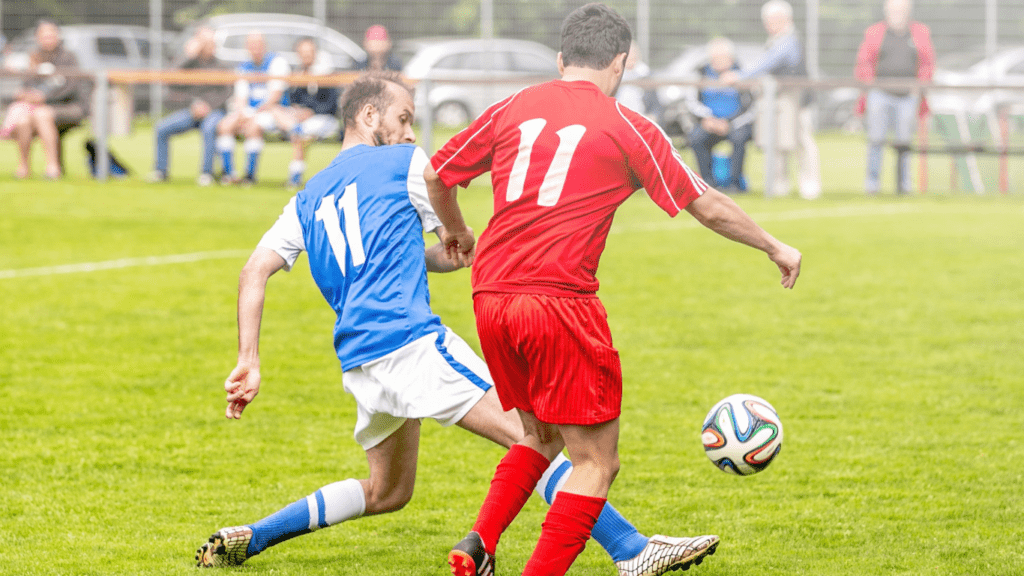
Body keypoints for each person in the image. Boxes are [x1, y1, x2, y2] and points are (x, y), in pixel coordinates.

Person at [195, 70, 728, 576]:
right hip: (410, 344)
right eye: (403, 118)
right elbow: (443, 200)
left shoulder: (307, 197)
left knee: (388, 492)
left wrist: (249, 358)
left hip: (359, 359)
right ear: (368, 114)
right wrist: (462, 234)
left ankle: (255, 534)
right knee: (533, 436)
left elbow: (254, 272)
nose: (409, 131)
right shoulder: (403, 162)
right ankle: (631, 549)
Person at [425, 4, 802, 576]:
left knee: (538, 435)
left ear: (560, 59)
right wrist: (775, 246)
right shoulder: (628, 126)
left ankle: (477, 544)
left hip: (491, 295)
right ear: (621, 64)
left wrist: (455, 230)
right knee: (597, 461)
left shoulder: (513, 106)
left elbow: (437, 173)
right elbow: (707, 204)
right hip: (558, 300)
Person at [724, 0, 820, 199]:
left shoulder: (789, 40)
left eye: (774, 19)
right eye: (767, 20)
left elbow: (768, 63)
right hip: (778, 101)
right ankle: (779, 185)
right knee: (777, 142)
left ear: (787, 19)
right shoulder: (774, 40)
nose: (769, 24)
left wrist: (739, 76)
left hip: (798, 101)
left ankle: (810, 185)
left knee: (803, 142)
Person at [855, 0, 934, 195]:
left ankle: (904, 186)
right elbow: (863, 62)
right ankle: (872, 185)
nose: (897, 13)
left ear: (908, 12)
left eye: (901, 10)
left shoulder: (920, 32)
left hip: (908, 97)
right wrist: (870, 84)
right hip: (879, 95)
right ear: (886, 12)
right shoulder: (874, 32)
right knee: (876, 140)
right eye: (893, 10)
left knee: (904, 143)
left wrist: (920, 86)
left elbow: (927, 63)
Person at [0, 20, 88, 179]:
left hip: (69, 107)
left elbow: (71, 87)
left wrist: (44, 97)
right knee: (23, 120)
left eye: (51, 35)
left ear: (58, 36)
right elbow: (28, 84)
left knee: (42, 114)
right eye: (44, 36)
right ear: (37, 37)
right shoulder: (34, 57)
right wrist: (25, 93)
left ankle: (53, 168)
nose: (48, 39)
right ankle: (24, 167)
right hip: (36, 108)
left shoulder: (69, 57)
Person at [147, 27, 231, 186]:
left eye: (211, 42)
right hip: (192, 111)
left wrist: (207, 106)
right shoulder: (189, 64)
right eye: (204, 42)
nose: (209, 45)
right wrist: (187, 56)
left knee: (209, 128)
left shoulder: (221, 66)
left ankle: (207, 174)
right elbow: (170, 82)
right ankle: (160, 171)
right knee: (161, 128)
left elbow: (226, 92)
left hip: (215, 111)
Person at [216, 32, 290, 185]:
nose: (255, 48)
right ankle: (229, 174)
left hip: (274, 111)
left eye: (258, 45)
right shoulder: (244, 67)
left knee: (253, 127)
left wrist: (252, 115)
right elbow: (241, 97)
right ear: (247, 48)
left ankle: (249, 176)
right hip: (250, 111)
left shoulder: (277, 63)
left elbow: (274, 97)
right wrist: (243, 113)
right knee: (225, 126)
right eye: (251, 45)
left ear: (265, 46)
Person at [685, 37, 755, 192]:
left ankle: (734, 184)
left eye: (722, 58)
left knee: (739, 138)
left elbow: (750, 107)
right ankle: (708, 184)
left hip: (736, 123)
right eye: (714, 58)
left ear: (731, 58)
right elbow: (691, 102)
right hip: (709, 122)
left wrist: (729, 123)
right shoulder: (700, 74)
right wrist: (707, 118)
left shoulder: (743, 73)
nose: (717, 61)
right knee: (696, 138)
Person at [282, 37, 341, 189]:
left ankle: (294, 179)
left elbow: (332, 105)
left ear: (315, 53)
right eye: (302, 52)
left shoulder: (325, 74)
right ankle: (295, 178)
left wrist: (311, 112)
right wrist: (299, 110)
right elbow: (293, 99)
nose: (306, 56)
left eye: (309, 52)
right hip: (303, 120)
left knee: (300, 134)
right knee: (297, 130)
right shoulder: (297, 75)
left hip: (325, 119)